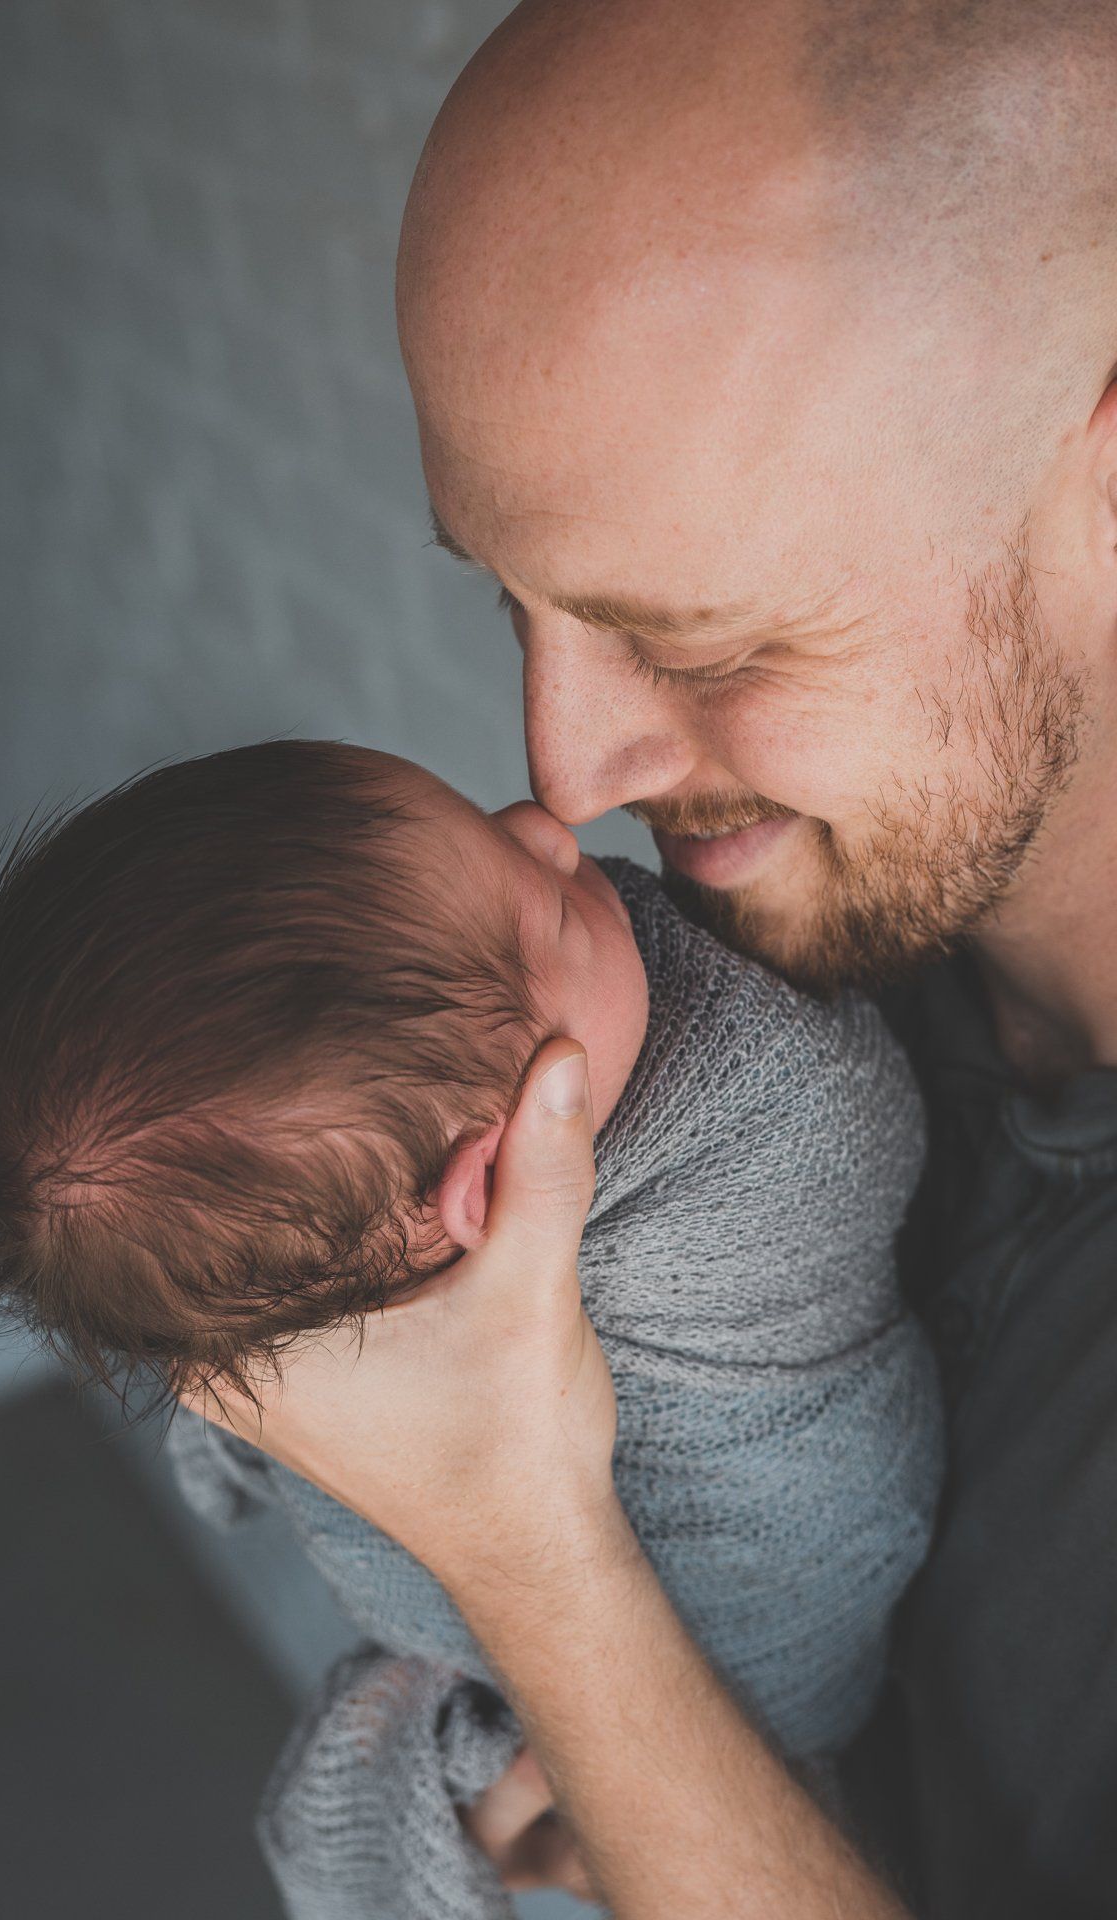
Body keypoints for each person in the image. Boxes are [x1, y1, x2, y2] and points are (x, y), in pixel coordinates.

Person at [184, 2, 1117, 1916]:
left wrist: (536, 1569)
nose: (566, 769)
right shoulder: (706, 985)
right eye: (510, 596)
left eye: (696, 634)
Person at [0, 736, 938, 1915]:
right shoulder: (768, 1117)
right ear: (499, 1186)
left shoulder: (657, 1100)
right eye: (558, 916)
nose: (550, 828)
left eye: (484, 820)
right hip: (751, 1652)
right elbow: (857, 1122)